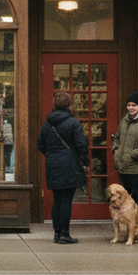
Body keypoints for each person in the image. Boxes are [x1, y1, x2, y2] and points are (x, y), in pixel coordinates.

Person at [37, 90, 88, 244]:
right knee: (66, 200)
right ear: (69, 104)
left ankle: (57, 233)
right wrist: (85, 162)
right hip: (69, 164)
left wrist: (51, 155)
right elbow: (81, 145)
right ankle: (65, 234)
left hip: (52, 163)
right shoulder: (74, 123)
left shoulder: (47, 124)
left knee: (57, 200)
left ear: (54, 105)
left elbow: (40, 145)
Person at [112, 92, 138, 221]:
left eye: (134, 105)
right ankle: (127, 226)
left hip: (137, 167)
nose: (130, 108)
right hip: (123, 166)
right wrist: (116, 150)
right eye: (128, 105)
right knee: (125, 200)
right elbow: (117, 137)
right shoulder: (125, 120)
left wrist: (132, 155)